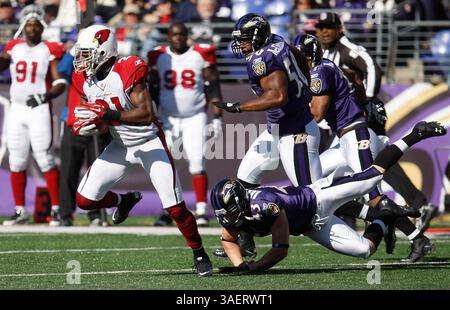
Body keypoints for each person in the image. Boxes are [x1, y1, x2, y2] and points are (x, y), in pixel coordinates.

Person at [71, 24, 213, 276]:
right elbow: (97, 117)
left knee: (176, 208)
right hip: (119, 144)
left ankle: (200, 253)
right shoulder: (84, 78)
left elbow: (145, 114)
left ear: (104, 51)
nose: (81, 60)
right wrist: (92, 124)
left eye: (87, 53)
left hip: (148, 141)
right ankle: (123, 200)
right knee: (84, 200)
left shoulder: (127, 68)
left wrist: (106, 114)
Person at [211, 121, 446, 273]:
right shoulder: (233, 212)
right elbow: (229, 240)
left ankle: (416, 133)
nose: (227, 217)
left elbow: (280, 249)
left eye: (229, 211)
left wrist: (253, 268)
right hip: (310, 225)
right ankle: (385, 216)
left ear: (241, 202)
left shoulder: (265, 206)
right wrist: (239, 265)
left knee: (372, 177)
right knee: (364, 250)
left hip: (318, 198)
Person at [294, 34, 434, 259]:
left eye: (297, 56)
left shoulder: (318, 72)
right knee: (318, 186)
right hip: (345, 139)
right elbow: (354, 78)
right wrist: (360, 101)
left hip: (354, 136)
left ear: (307, 56)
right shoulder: (329, 66)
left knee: (373, 194)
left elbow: (317, 114)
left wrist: (292, 108)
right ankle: (382, 221)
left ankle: (418, 238)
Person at [315, 12, 439, 235]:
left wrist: (368, 100)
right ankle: (416, 205)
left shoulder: (347, 48)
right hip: (343, 121)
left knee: (363, 169)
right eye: (320, 27)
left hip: (356, 118)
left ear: (339, 28)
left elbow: (372, 67)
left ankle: (388, 217)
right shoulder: (325, 52)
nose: (324, 31)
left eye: (329, 27)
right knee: (378, 161)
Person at [212, 13, 322, 258]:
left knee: (316, 195)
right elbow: (302, 62)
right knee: (245, 178)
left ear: (258, 36)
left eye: (244, 39)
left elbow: (278, 97)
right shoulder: (279, 41)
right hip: (276, 129)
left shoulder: (262, 58)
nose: (240, 44)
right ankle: (245, 240)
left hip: (296, 131)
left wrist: (239, 106)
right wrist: (304, 85)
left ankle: (380, 217)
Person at [147, 22, 223, 227]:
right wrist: (152, 115)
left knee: (197, 163)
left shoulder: (200, 54)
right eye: (174, 34)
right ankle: (169, 210)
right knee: (165, 166)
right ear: (168, 37)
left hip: (195, 116)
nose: (178, 38)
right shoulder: (158, 56)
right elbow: (152, 89)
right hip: (168, 117)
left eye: (181, 34)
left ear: (187, 36)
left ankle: (200, 210)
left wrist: (217, 117)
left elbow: (214, 86)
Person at [0, 5, 66, 226]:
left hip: (38, 109)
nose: (31, 28)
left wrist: (45, 96)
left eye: (36, 25)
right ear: (23, 27)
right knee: (17, 160)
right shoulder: (14, 47)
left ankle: (56, 209)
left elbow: (59, 81)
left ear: (42, 28)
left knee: (45, 158)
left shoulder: (49, 49)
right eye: (28, 25)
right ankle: (20, 210)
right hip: (17, 108)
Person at [57, 48, 111, 227]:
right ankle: (65, 214)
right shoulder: (77, 68)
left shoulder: (107, 71)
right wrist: (72, 50)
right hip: (75, 123)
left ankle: (96, 213)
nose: (84, 58)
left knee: (97, 173)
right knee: (68, 171)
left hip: (98, 125)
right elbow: (62, 69)